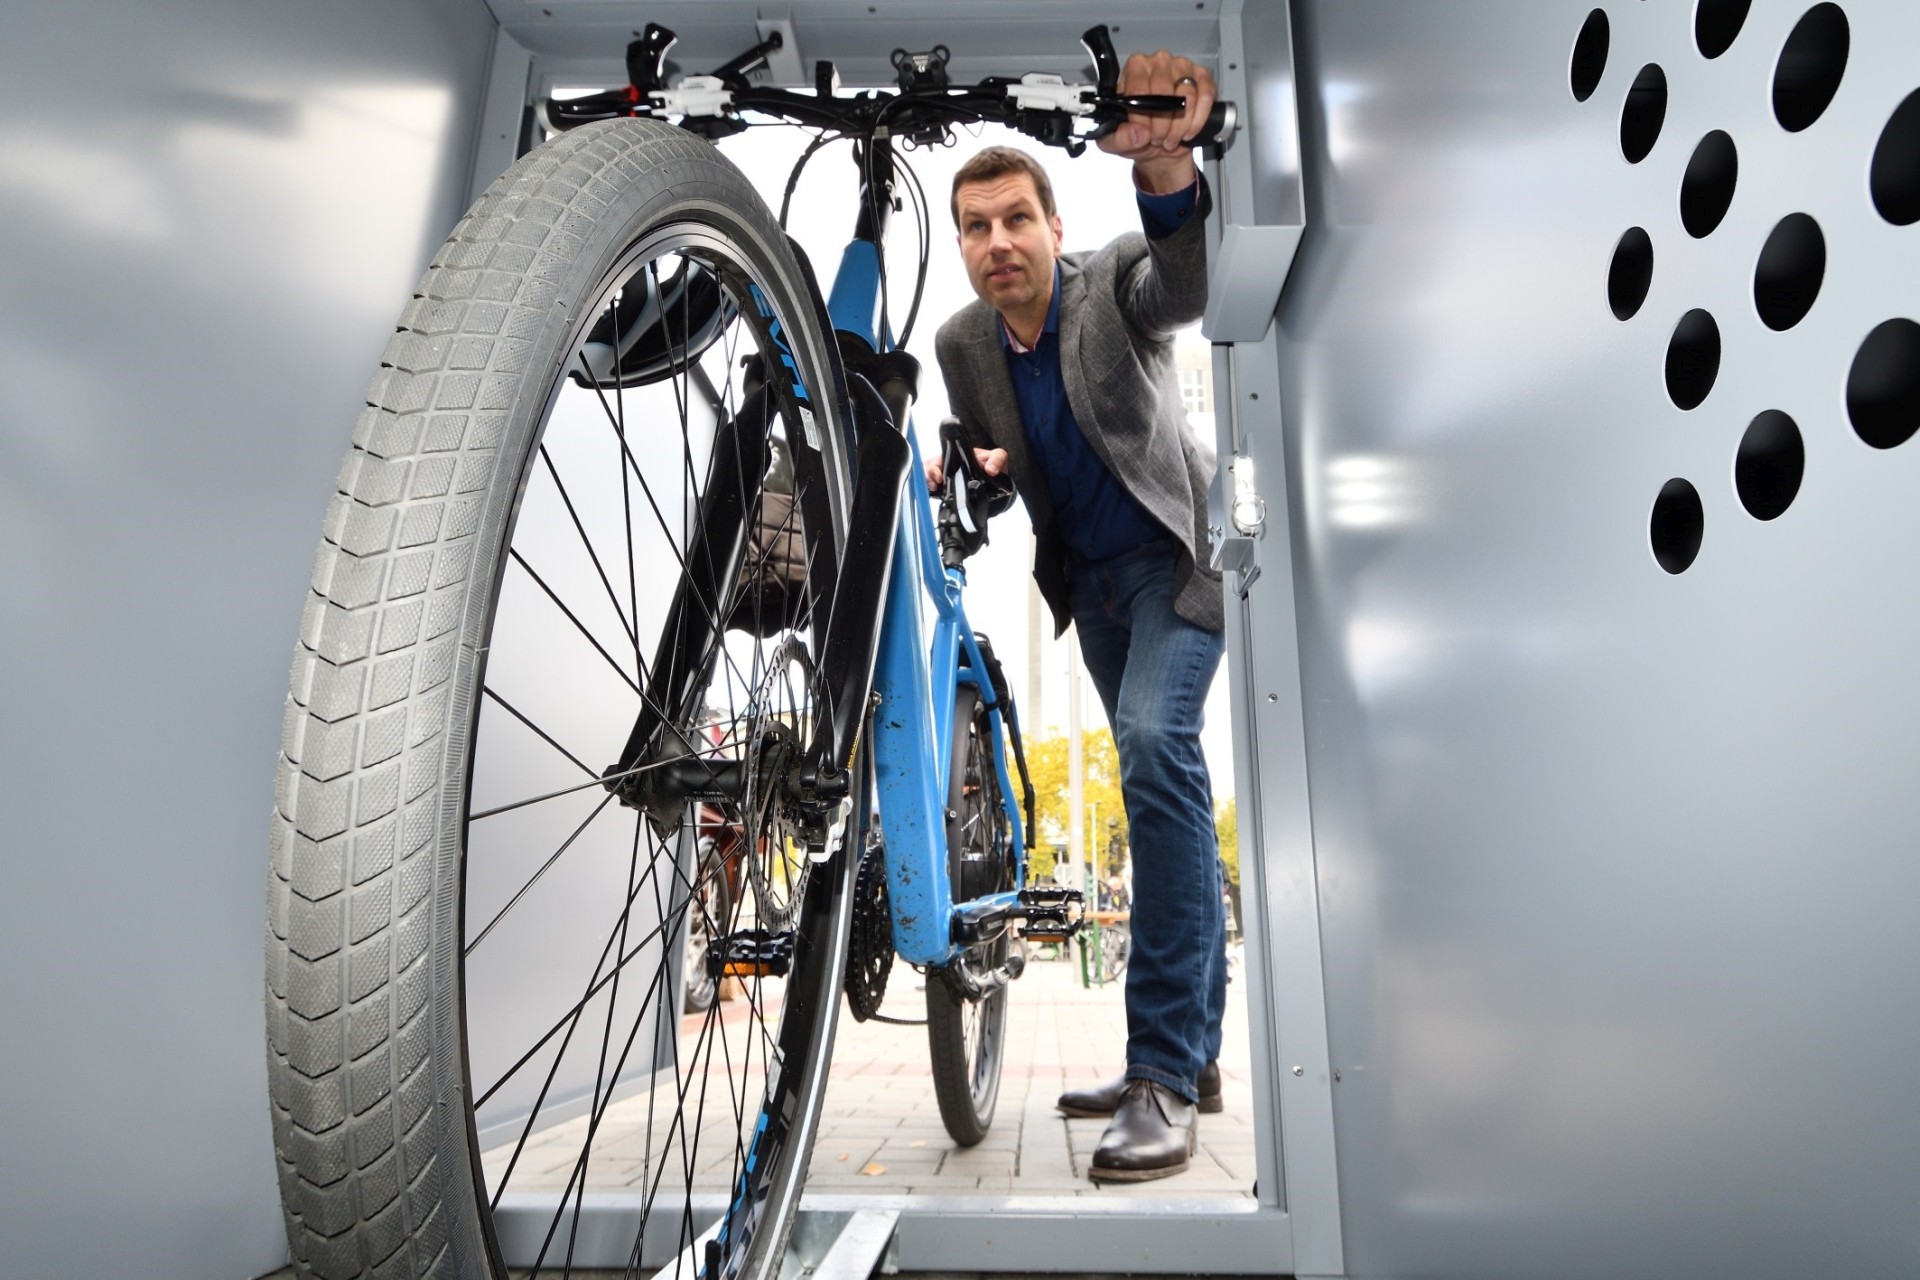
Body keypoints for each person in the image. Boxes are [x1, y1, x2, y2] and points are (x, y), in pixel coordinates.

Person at [927, 49, 1228, 1183]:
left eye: (1015, 219)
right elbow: (1008, 481)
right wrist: (987, 474)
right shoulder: (964, 344)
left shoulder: (1108, 285)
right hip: (1089, 588)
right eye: (974, 226)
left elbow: (1184, 285)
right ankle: (1193, 1055)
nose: (997, 243)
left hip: (1171, 562)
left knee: (1154, 745)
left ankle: (1159, 1068)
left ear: (1053, 224)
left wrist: (1165, 170)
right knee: (1166, 778)